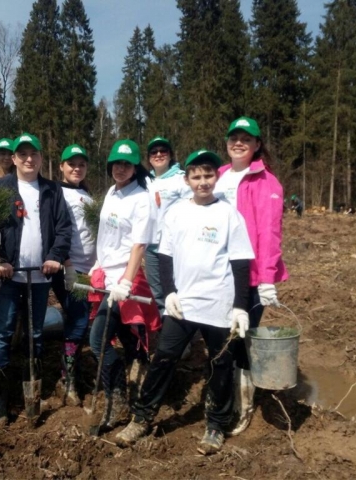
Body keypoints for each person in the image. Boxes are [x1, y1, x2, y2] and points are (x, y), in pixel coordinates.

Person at [115, 150, 255, 454]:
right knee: (163, 358)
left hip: (219, 305)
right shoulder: (177, 212)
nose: (202, 181)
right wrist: (170, 294)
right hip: (184, 304)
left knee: (221, 364)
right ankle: (142, 417)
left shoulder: (228, 214)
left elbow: (241, 262)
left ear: (215, 178)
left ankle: (215, 425)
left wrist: (241, 306)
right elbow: (164, 255)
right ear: (188, 179)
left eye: (208, 175)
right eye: (196, 176)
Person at [0, 133, 72, 427]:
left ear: (41, 158)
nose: (28, 159)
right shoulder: (0, 188)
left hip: (39, 276)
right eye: (22, 155)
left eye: (33, 154)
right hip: (9, 277)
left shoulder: (51, 190)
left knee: (34, 335)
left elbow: (63, 228)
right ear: (14, 159)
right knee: (4, 333)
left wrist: (55, 256)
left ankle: (32, 391)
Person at [213, 117, 288, 436]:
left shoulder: (267, 183)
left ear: (258, 145)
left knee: (243, 336)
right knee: (223, 334)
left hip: (253, 274)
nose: (239, 142)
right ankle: (223, 393)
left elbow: (270, 233)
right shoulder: (219, 176)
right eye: (234, 137)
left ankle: (243, 405)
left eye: (247, 138)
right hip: (219, 271)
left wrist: (267, 278)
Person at [88, 139, 161, 432]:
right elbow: (105, 233)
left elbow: (139, 244)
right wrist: (97, 263)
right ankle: (135, 383)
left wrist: (127, 280)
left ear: (135, 167)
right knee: (127, 337)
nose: (120, 169)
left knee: (98, 340)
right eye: (116, 163)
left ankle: (118, 401)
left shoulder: (141, 198)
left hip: (124, 280)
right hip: (106, 276)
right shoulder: (111, 192)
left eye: (127, 164)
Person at [51, 144, 96, 406]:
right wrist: (66, 264)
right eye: (71, 164)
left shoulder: (87, 195)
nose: (76, 168)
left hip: (90, 270)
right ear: (61, 166)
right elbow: (57, 230)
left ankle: (72, 371)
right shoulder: (57, 193)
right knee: (79, 320)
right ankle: (67, 378)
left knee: (80, 321)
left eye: (81, 164)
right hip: (71, 268)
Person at [144, 136, 192, 318]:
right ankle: (168, 331)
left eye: (163, 151)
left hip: (174, 247)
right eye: (154, 152)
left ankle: (186, 333)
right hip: (151, 246)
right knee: (157, 293)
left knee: (177, 290)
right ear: (148, 157)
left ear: (170, 155)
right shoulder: (145, 181)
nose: (158, 155)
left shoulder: (181, 179)